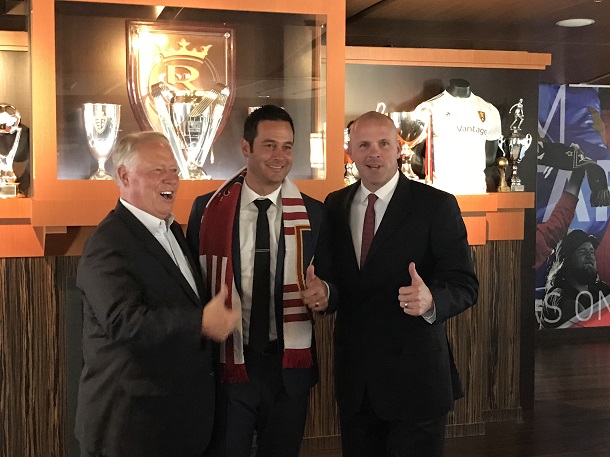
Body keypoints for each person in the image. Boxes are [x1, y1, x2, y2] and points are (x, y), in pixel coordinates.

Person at [315, 111, 479, 457]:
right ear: (351, 152)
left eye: (383, 144)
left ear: (398, 149)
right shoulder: (335, 204)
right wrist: (325, 294)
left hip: (416, 381)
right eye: (364, 145)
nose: (374, 153)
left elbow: (465, 284)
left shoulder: (436, 205)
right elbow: (336, 280)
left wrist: (431, 299)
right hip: (356, 383)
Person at [75, 131, 239, 457]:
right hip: (131, 430)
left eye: (174, 170)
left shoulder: (172, 229)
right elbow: (123, 322)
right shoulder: (108, 243)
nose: (171, 180)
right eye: (157, 171)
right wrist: (201, 323)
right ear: (124, 176)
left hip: (177, 425)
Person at [186, 105, 330, 457]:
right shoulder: (207, 210)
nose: (280, 156)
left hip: (288, 367)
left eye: (287, 146)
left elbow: (332, 279)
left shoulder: (314, 212)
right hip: (231, 362)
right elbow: (190, 286)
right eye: (269, 145)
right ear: (246, 148)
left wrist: (325, 292)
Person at [414, 78, 502, 194]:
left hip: (477, 194)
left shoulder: (489, 110)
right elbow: (414, 157)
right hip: (440, 194)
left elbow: (489, 158)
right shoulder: (428, 108)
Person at [541, 229, 610, 329]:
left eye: (591, 252)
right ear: (566, 261)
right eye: (582, 252)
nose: (589, 256)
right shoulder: (558, 295)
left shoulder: (601, 289)